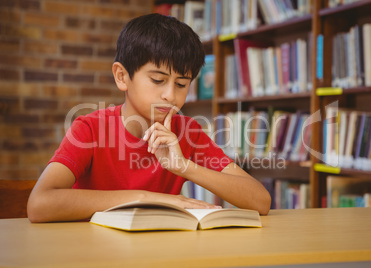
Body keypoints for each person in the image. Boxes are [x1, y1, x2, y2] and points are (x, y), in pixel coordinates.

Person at [27, 13, 271, 223]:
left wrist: (185, 167)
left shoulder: (186, 131)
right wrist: (143, 198)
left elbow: (260, 201)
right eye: (157, 80)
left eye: (181, 84)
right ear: (122, 76)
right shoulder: (90, 128)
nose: (170, 95)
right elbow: (39, 204)